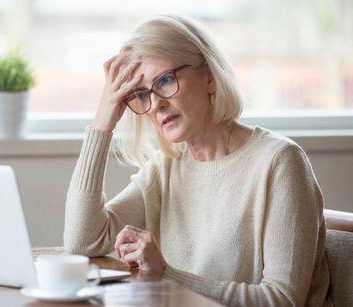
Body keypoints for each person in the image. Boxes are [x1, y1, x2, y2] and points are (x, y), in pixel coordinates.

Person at [63, 14, 331, 306]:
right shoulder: (164, 167)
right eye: (142, 95)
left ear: (210, 77)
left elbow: (283, 300)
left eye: (165, 80)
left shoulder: (279, 162)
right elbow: (83, 241)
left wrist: (168, 275)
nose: (156, 105)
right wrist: (104, 117)